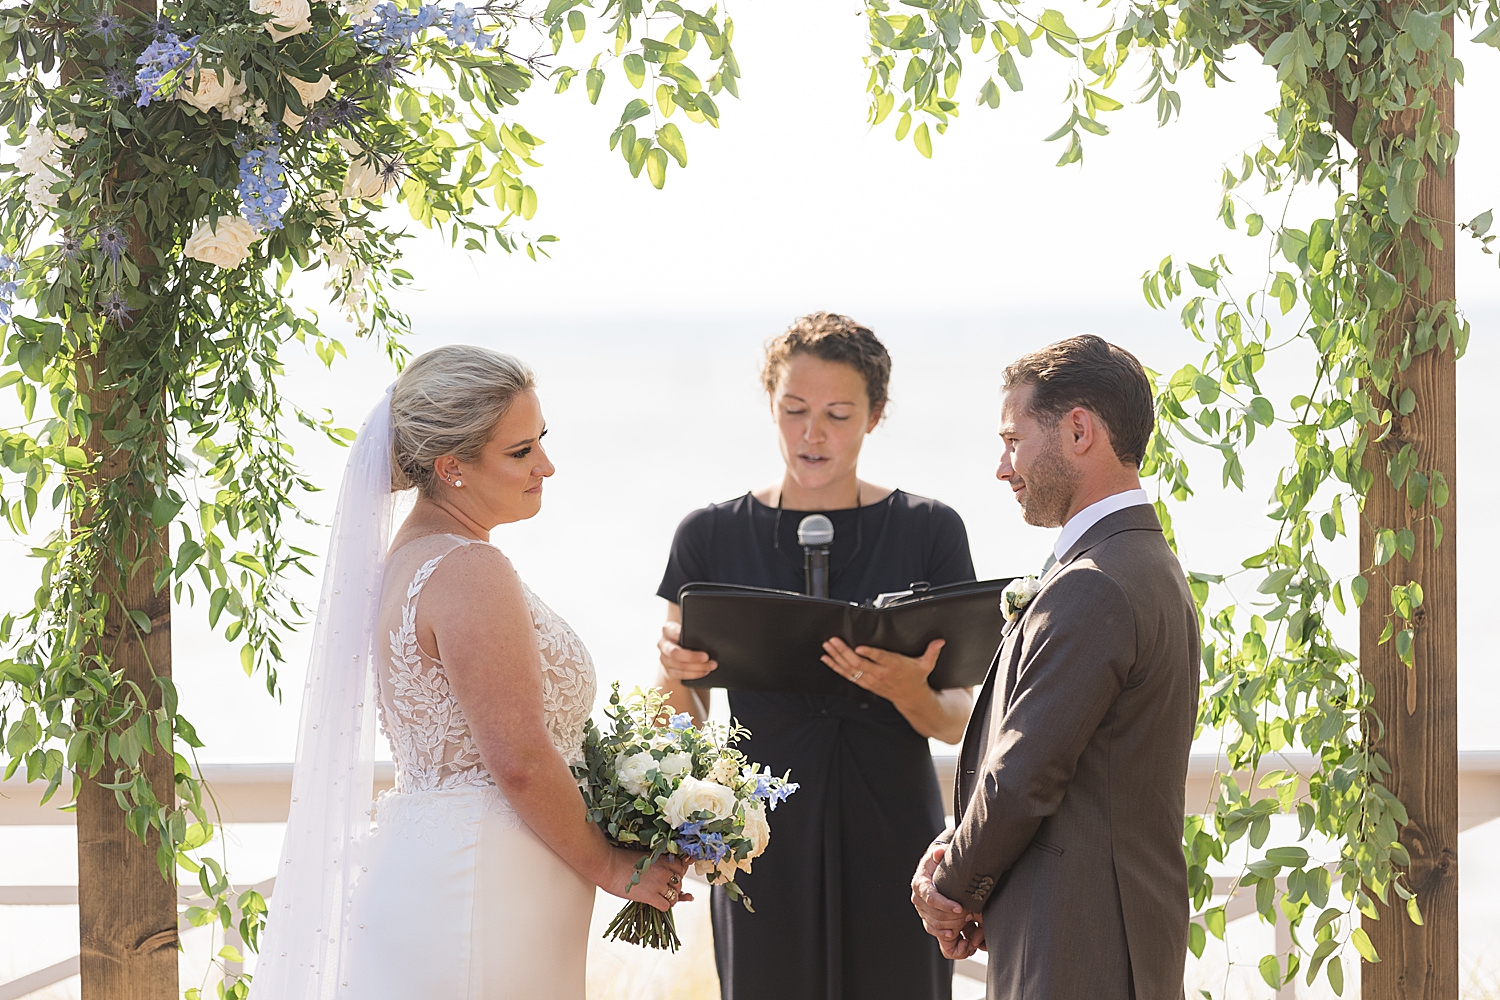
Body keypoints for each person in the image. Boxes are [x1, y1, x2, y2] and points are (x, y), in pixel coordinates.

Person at [253, 346, 688, 1000]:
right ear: (452, 466)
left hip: (447, 862)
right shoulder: (468, 571)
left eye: (541, 439)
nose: (546, 465)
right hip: (487, 882)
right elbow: (517, 756)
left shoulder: (409, 558)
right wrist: (608, 863)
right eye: (520, 452)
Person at [655, 313, 976, 1000]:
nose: (813, 433)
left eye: (836, 413)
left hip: (894, 830)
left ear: (876, 415)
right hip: (759, 837)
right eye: (794, 410)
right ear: (771, 404)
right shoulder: (708, 536)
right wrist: (675, 672)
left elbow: (958, 721)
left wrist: (905, 690)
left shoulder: (931, 531)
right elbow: (676, 721)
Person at [909, 335, 1200, 1000]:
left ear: (1078, 431)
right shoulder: (1148, 568)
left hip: (1075, 948)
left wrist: (949, 887)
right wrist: (960, 844)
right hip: (1115, 943)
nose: (1002, 468)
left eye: (1014, 441)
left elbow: (1022, 779)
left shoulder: (1094, 583)